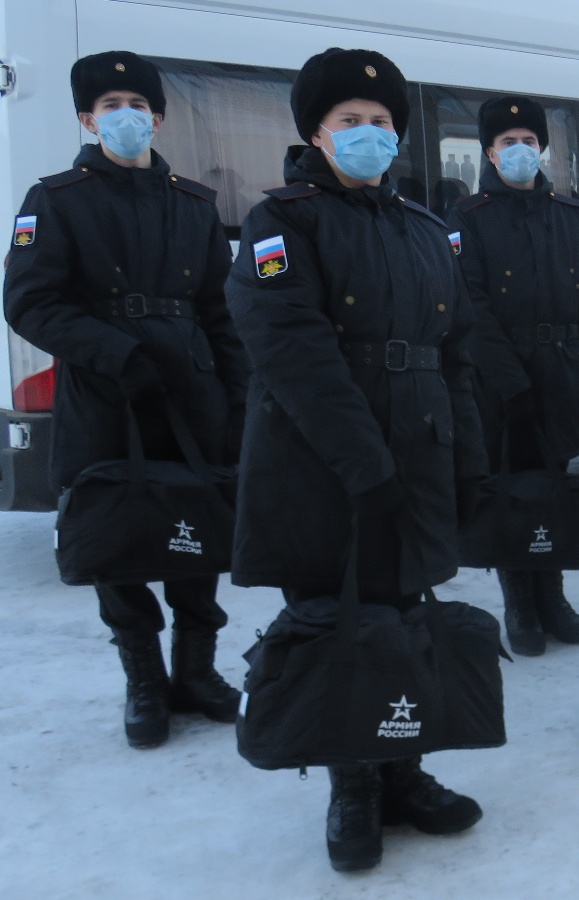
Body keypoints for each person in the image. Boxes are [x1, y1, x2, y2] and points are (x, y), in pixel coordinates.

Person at [223, 48, 490, 873]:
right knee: (341, 621)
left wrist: (468, 462)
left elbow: (456, 354)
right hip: (322, 465)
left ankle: (403, 770)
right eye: (350, 121)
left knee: (405, 617)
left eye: (381, 122)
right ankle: (354, 788)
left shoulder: (424, 229)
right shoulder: (283, 223)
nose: (369, 133)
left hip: (419, 449)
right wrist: (365, 465)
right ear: (316, 132)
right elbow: (293, 355)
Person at [3, 51, 248, 750]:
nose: (127, 116)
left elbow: (220, 310)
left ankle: (196, 672)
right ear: (88, 120)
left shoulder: (194, 203)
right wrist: (116, 353)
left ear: (158, 118)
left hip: (192, 392)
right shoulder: (56, 200)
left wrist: (240, 397)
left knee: (199, 527)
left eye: (138, 105)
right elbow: (29, 302)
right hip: (106, 395)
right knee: (115, 535)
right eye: (110, 106)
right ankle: (144, 680)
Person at [445, 96, 579, 657]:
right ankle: (519, 602)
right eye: (508, 141)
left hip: (562, 372)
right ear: (490, 153)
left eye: (530, 140)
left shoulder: (570, 214)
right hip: (501, 384)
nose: (521, 150)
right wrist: (510, 383)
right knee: (511, 494)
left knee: (553, 488)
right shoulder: (469, 217)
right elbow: (470, 307)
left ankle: (553, 598)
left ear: (543, 148)